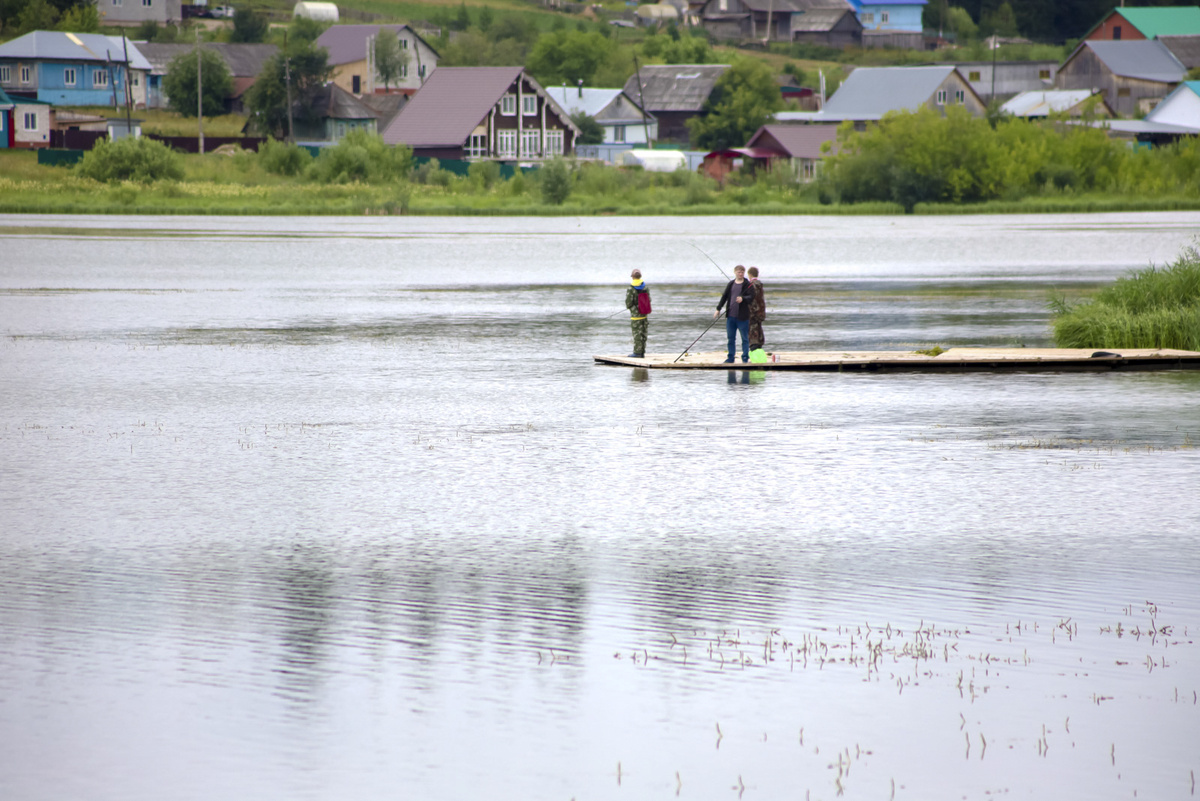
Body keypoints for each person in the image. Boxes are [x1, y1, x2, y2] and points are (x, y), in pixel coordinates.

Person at [713, 265, 756, 363]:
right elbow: (724, 297)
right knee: (730, 338)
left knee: (745, 338)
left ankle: (745, 357)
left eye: (742, 272)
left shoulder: (748, 285)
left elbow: (751, 297)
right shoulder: (731, 284)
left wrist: (743, 299)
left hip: (743, 317)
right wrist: (718, 309)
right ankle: (730, 357)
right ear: (735, 272)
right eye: (738, 272)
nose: (740, 274)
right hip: (731, 316)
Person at [626, 269, 651, 358]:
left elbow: (628, 303)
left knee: (637, 333)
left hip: (635, 316)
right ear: (640, 276)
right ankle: (642, 352)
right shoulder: (645, 287)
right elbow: (649, 300)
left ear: (632, 277)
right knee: (643, 333)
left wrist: (634, 309)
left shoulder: (631, 288)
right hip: (644, 314)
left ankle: (637, 353)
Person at [747, 266, 766, 352]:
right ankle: (758, 347)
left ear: (749, 274)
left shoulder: (751, 285)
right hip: (760, 311)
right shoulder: (760, 285)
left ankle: (754, 349)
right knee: (758, 329)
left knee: (752, 331)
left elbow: (751, 300)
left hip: (753, 312)